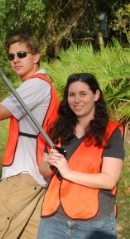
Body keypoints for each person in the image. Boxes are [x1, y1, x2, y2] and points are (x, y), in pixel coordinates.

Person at [0, 34, 59, 238]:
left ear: (36, 56)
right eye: (11, 57)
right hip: (34, 177)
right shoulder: (37, 85)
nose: (16, 60)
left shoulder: (36, 85)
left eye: (21, 54)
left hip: (23, 176)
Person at [37, 73, 125, 239]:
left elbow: (109, 180)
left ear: (96, 95)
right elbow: (43, 168)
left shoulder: (111, 132)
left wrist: (68, 172)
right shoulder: (58, 128)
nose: (77, 100)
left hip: (94, 224)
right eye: (72, 95)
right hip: (54, 219)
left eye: (83, 94)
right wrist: (51, 164)